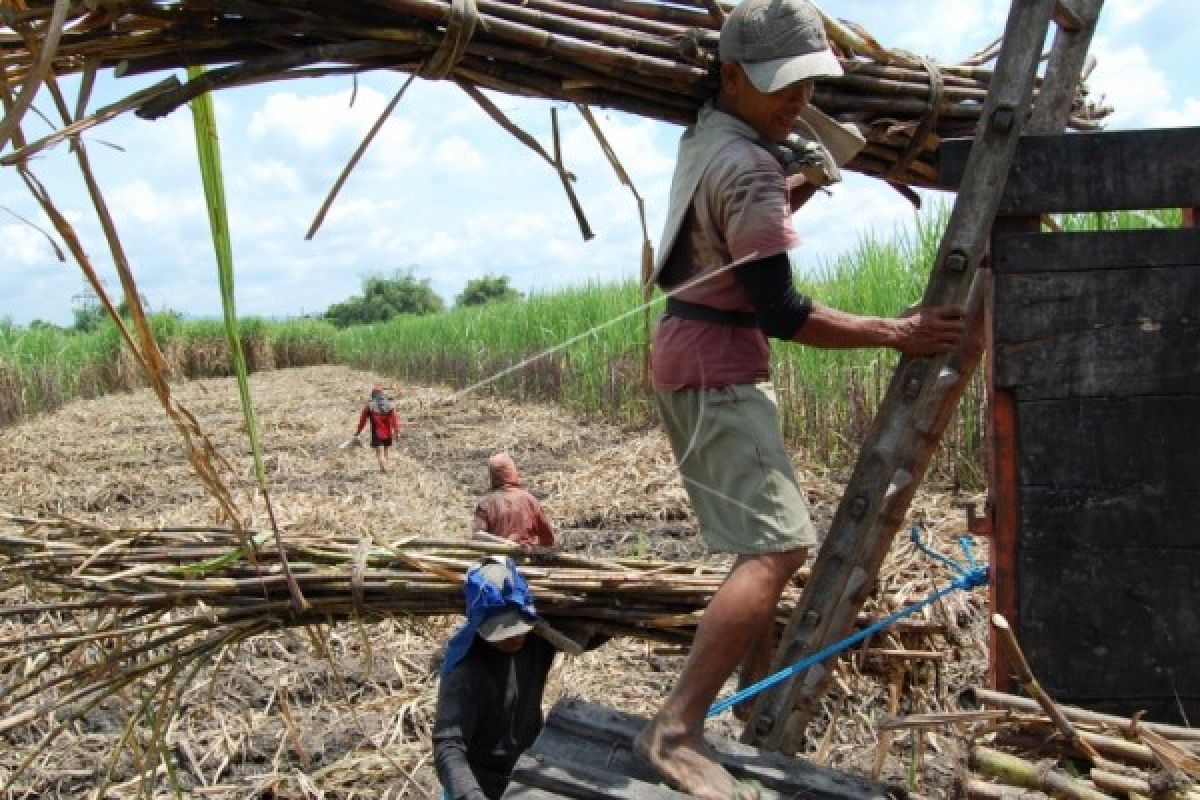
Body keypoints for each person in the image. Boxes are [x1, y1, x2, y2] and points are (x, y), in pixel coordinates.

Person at [632, 0, 966, 797]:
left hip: (695, 351)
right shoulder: (748, 164)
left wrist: (798, 180)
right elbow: (782, 310)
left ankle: (744, 706)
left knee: (765, 541)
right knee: (777, 549)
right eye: (782, 86)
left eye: (810, 84)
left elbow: (729, 242)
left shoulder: (711, 131)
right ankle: (674, 731)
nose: (798, 102)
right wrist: (899, 331)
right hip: (716, 364)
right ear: (733, 75)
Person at [433, 556, 602, 799]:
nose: (514, 637)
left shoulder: (537, 639)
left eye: (518, 627)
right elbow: (448, 747)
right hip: (479, 780)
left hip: (528, 769)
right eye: (502, 631)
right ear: (479, 624)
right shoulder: (465, 669)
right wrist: (471, 795)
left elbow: (591, 636)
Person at [473, 453, 557, 547]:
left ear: (492, 476)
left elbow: (478, 537)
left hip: (494, 555)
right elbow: (549, 539)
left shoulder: (485, 504)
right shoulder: (529, 500)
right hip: (523, 557)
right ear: (513, 472)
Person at [355, 385, 400, 473]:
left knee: (380, 454)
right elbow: (395, 420)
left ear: (373, 394)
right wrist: (397, 432)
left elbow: (362, 421)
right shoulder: (390, 405)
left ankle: (384, 470)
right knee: (386, 452)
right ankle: (386, 469)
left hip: (377, 433)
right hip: (388, 433)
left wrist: (358, 432)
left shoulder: (369, 406)